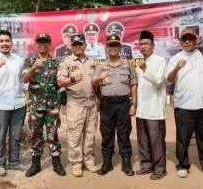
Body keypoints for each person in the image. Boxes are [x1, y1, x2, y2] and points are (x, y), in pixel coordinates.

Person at [167, 28, 203, 178]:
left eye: (190, 39)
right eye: (184, 39)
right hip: (183, 105)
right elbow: (169, 80)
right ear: (180, 42)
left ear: (196, 40)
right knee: (183, 138)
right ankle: (182, 165)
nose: (187, 41)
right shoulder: (175, 58)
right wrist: (177, 67)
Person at [0, 30, 27, 176]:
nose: (4, 43)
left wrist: (25, 95)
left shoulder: (18, 59)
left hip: (18, 103)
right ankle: (0, 163)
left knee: (16, 134)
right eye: (1, 41)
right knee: (0, 135)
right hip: (0, 103)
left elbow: (22, 81)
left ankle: (14, 162)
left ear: (11, 43)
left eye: (7, 41)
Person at [92, 33, 137, 176]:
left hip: (123, 103)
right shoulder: (101, 67)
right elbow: (93, 84)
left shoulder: (128, 64)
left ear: (120, 47)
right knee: (107, 134)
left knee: (124, 133)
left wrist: (133, 104)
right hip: (107, 104)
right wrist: (99, 78)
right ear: (106, 48)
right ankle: (107, 163)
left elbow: (134, 84)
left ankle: (126, 163)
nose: (113, 48)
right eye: (110, 45)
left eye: (116, 45)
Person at [23, 33, 66, 177]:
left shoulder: (56, 62)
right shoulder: (30, 60)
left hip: (52, 106)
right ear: (36, 44)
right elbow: (25, 79)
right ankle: (35, 164)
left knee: (52, 135)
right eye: (40, 41)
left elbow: (60, 81)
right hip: (36, 106)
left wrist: (64, 91)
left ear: (50, 44)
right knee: (35, 135)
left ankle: (56, 162)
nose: (42, 44)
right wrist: (34, 67)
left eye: (45, 41)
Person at [57, 34, 98, 177]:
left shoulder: (92, 61)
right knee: (75, 135)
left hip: (91, 103)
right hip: (75, 104)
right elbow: (60, 82)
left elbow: (95, 83)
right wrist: (72, 78)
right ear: (71, 46)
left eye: (80, 44)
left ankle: (89, 160)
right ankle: (76, 163)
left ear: (85, 45)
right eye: (75, 44)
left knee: (90, 133)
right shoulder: (67, 62)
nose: (78, 46)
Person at [135, 30, 167, 180]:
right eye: (141, 44)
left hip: (154, 108)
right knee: (143, 139)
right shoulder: (139, 62)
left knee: (156, 140)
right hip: (141, 108)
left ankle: (160, 169)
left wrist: (145, 69)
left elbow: (159, 81)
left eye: (146, 44)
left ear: (153, 45)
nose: (143, 46)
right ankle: (146, 165)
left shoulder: (160, 61)